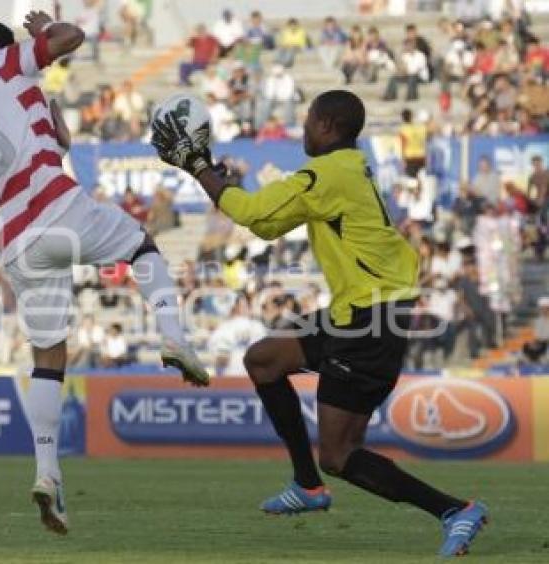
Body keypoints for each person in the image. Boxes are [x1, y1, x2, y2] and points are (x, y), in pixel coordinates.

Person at [152, 89, 487, 557]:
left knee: (339, 455)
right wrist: (208, 169)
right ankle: (306, 487)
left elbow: (250, 214)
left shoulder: (327, 174)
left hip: (371, 322)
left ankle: (454, 510)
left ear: (327, 126)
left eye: (309, 120)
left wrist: (197, 168)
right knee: (263, 360)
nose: (303, 128)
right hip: (354, 311)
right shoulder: (346, 168)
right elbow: (266, 226)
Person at [0, 11, 209, 535]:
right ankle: (174, 337)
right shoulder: (7, 63)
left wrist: (51, 123)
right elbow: (72, 38)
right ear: (4, 48)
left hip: (14, 238)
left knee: (48, 357)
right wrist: (46, 29)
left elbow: (51, 142)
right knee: (142, 246)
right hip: (54, 207)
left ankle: (47, 474)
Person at [208, 295, 267, 376]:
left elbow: (222, 359)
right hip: (254, 379)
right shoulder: (258, 326)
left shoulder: (223, 329)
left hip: (231, 379)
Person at [399, 109, 427, 178]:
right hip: (421, 157)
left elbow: (403, 145)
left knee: (412, 179)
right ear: (411, 116)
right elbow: (426, 138)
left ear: (402, 118)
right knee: (422, 178)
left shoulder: (403, 130)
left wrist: (403, 159)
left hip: (410, 158)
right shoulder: (419, 128)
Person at [522, 297, 549, 363]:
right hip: (541, 342)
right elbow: (537, 336)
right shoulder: (538, 321)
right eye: (542, 308)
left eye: (545, 308)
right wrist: (534, 343)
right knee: (527, 346)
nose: (543, 310)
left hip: (547, 343)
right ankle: (533, 362)